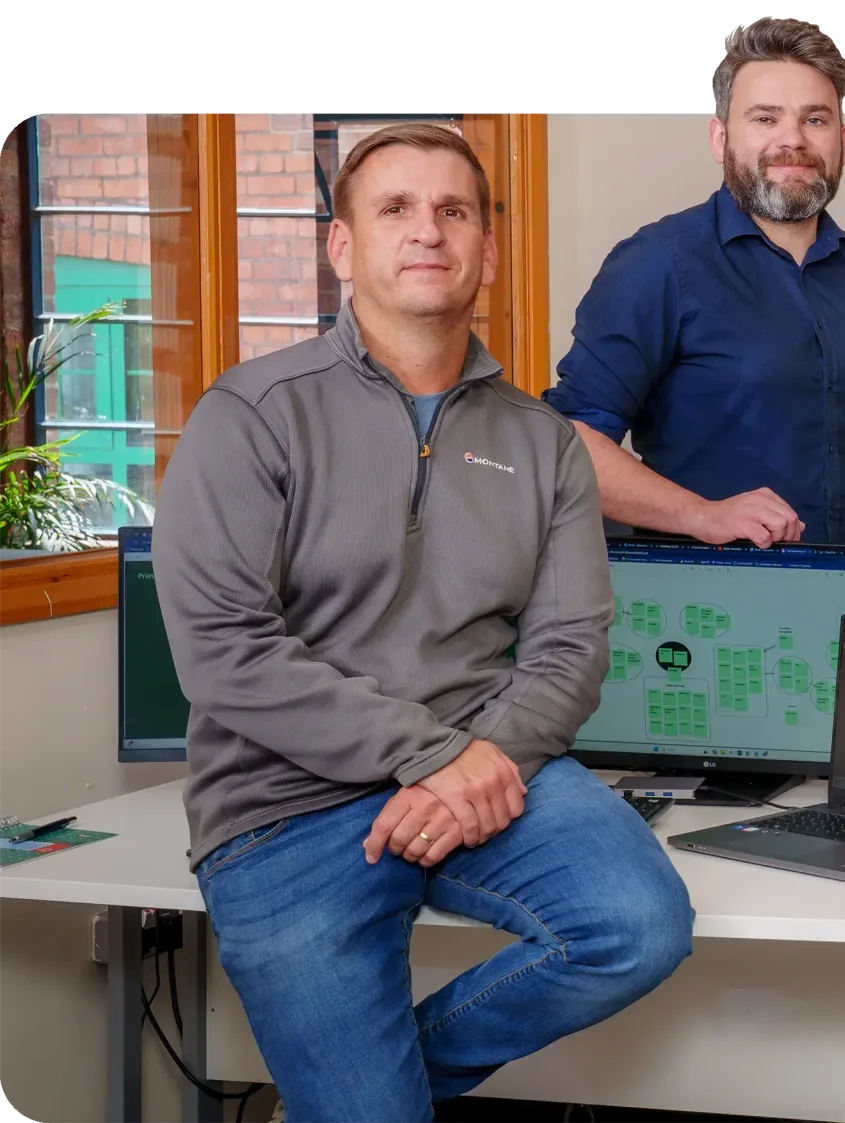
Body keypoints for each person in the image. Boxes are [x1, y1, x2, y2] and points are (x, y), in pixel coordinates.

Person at [151, 123, 694, 1123]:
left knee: (637, 923)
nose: (428, 231)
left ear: (487, 248)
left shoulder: (544, 443)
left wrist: (478, 762)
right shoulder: (250, 414)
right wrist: (433, 756)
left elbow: (570, 650)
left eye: (454, 211)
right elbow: (226, 653)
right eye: (395, 208)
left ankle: (370, 1094)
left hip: (494, 771)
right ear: (343, 246)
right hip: (284, 804)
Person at [543, 14, 845, 600]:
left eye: (815, 119)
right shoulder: (656, 264)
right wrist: (703, 515)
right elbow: (570, 443)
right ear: (720, 138)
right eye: (765, 118)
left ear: (841, 141)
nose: (793, 140)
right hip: (703, 616)